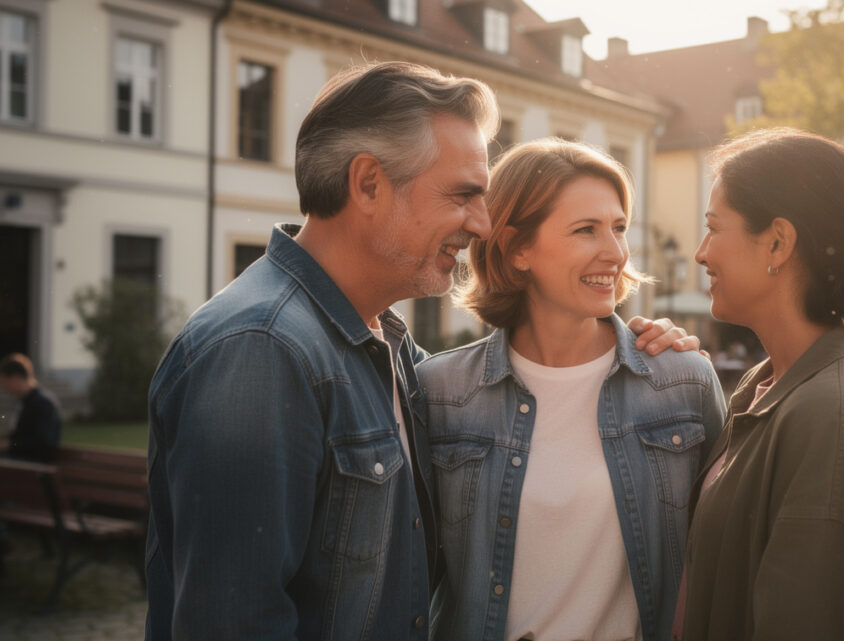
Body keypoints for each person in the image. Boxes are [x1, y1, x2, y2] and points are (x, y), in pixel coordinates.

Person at [145, 62, 691, 641]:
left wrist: (652, 352)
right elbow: (233, 622)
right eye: (463, 195)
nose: (482, 224)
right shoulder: (263, 350)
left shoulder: (386, 345)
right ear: (368, 184)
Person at [418, 139, 726, 641]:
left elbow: (722, 557)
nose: (616, 252)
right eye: (586, 230)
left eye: (619, 228)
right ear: (517, 248)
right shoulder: (441, 391)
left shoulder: (683, 381)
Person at [678, 128, 844, 640]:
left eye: (713, 228)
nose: (701, 253)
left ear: (778, 241)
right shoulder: (775, 386)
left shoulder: (834, 419)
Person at [0, 353, 62, 463]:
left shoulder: (43, 403)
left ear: (15, 378)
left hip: (34, 465)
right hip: (22, 462)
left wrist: (10, 445)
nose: (4, 388)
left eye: (5, 383)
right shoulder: (26, 401)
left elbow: (43, 443)